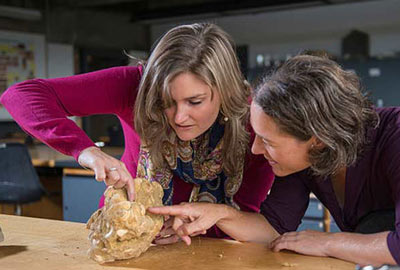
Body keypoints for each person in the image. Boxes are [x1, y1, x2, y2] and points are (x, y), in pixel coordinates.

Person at [0, 23, 274, 243]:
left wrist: (185, 229)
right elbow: (21, 95)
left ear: (224, 91)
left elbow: (251, 216)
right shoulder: (136, 85)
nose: (179, 117)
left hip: (213, 250)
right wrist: (87, 151)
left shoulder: (256, 124)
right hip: (123, 236)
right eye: (165, 102)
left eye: (195, 102)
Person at [148, 54, 399, 266]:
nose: (256, 150)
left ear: (317, 138)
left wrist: (328, 241)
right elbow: (273, 228)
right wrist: (217, 214)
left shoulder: (395, 138)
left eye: (267, 141)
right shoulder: (304, 159)